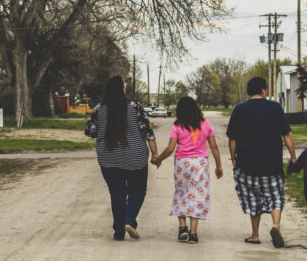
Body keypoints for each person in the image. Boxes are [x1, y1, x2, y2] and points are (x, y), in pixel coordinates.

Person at [85, 76, 158, 241]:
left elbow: (90, 131)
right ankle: (129, 220)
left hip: (109, 158)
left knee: (117, 193)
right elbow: (148, 132)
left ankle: (119, 231)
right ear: (122, 90)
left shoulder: (99, 108)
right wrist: (155, 154)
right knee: (138, 189)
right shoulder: (135, 107)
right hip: (136, 157)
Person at [226, 77, 296, 248]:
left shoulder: (239, 110)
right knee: (275, 196)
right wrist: (293, 156)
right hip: (272, 164)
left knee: (253, 198)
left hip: (247, 164)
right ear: (263, 90)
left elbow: (232, 139)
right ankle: (275, 225)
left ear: (250, 91)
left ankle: (255, 235)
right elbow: (287, 135)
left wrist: (234, 158)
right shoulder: (275, 108)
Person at [153, 97, 223, 244]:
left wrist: (159, 158)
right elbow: (214, 147)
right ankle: (193, 233)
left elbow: (171, 148)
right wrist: (218, 166)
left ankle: (183, 227)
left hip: (182, 162)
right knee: (198, 194)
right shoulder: (206, 124)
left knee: (182, 192)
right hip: (200, 163)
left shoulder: (177, 126)